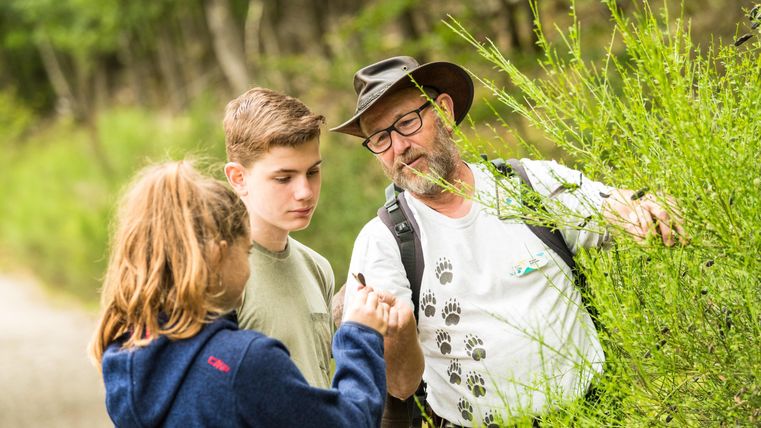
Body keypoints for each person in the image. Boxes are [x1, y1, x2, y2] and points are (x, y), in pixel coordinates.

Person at [331, 56, 686, 426]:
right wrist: (398, 333)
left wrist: (642, 207)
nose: (398, 147)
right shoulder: (384, 240)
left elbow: (609, 208)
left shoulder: (529, 185)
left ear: (445, 112)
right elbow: (401, 386)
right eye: (380, 138)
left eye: (406, 122)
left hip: (593, 413)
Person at [89, 161, 390, 427]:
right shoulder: (247, 362)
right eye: (245, 253)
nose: (248, 270)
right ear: (220, 256)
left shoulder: (127, 352)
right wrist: (360, 335)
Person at [222, 87, 335, 388]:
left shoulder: (318, 268)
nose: (305, 192)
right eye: (284, 178)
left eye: (312, 172)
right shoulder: (217, 273)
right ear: (238, 178)